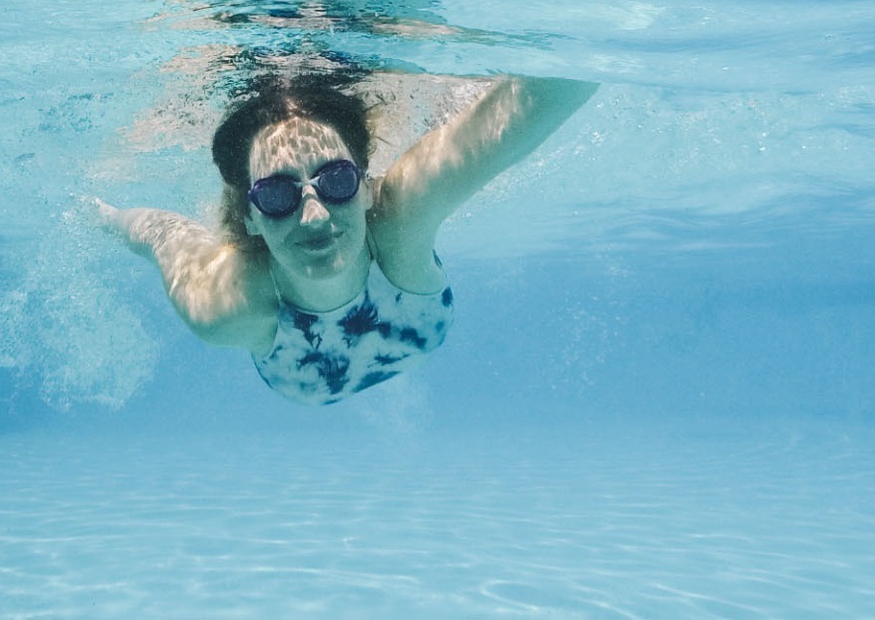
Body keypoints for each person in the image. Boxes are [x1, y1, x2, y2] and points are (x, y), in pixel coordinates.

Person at [98, 73, 595, 405]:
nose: (314, 217)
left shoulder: (396, 220)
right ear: (249, 216)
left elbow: (531, 104)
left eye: (336, 181)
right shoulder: (225, 305)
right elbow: (159, 233)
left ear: (365, 188)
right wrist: (102, 215)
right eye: (275, 194)